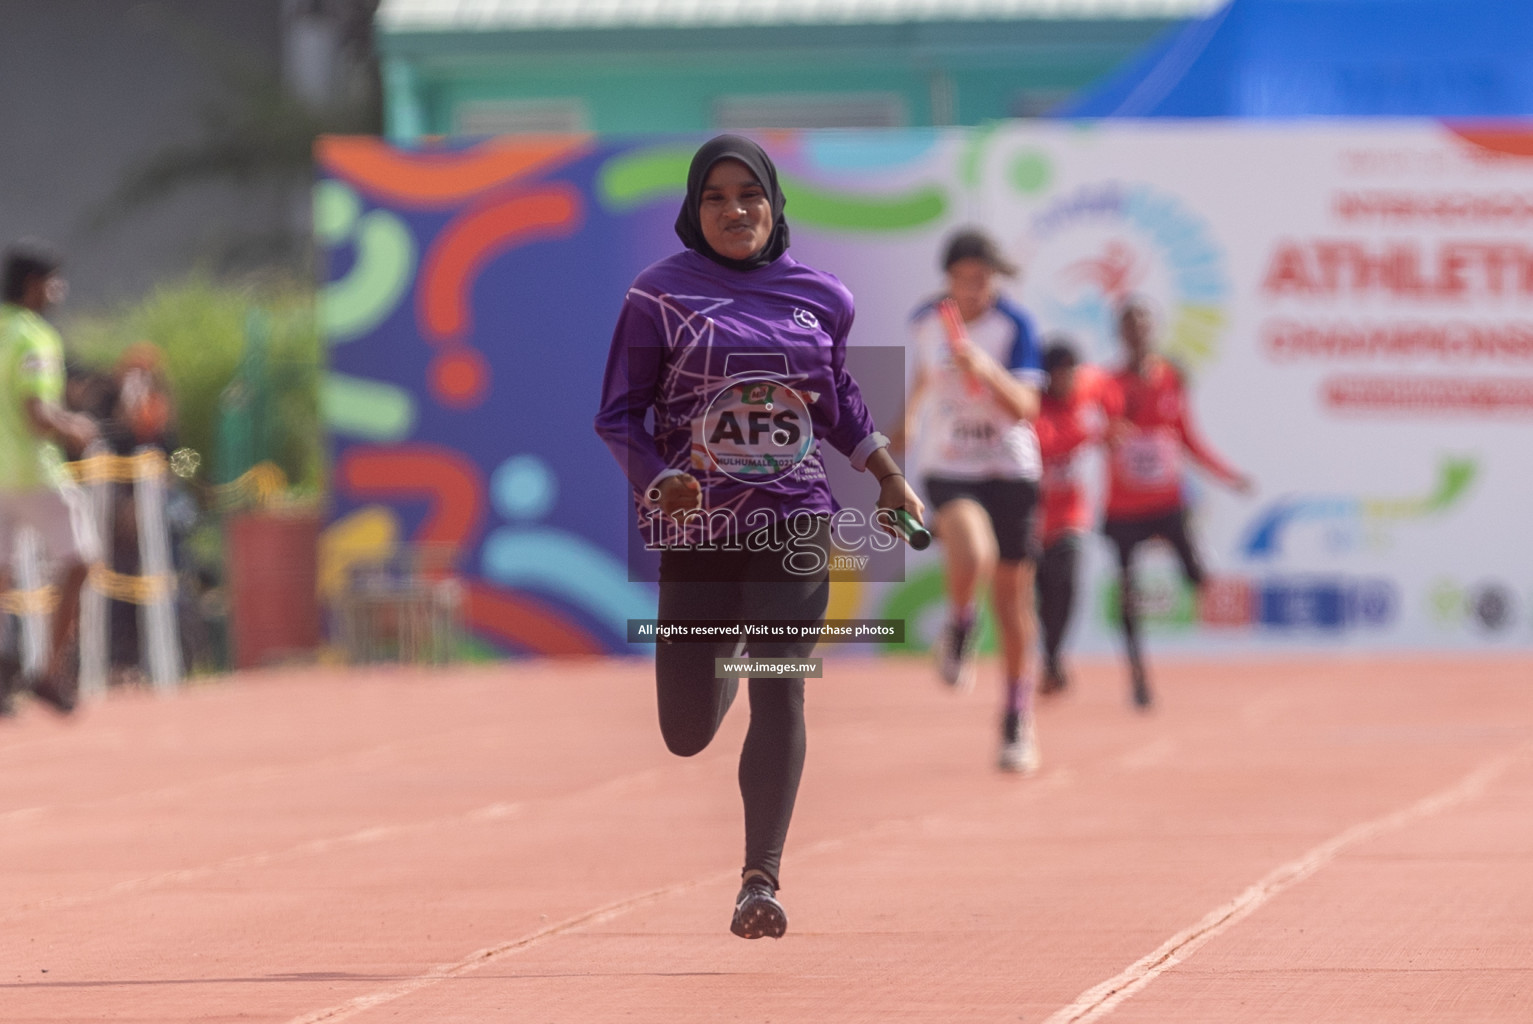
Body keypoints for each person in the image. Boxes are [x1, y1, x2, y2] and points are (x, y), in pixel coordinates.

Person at [594, 136, 923, 940]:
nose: (734, 210)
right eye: (715, 196)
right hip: (700, 531)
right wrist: (658, 477)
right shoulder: (656, 296)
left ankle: (759, 880)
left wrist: (884, 471)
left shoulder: (823, 296)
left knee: (784, 678)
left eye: (750, 194)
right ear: (692, 210)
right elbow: (618, 413)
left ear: (774, 205)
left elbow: (836, 394)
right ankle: (723, 667)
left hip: (796, 522)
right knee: (683, 732)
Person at [900, 228, 1045, 773]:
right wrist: (911, 417)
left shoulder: (1015, 326)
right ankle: (960, 622)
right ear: (949, 278)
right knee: (973, 553)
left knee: (1012, 602)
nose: (974, 289)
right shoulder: (924, 320)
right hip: (951, 465)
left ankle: (1015, 717)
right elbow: (924, 378)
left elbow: (1027, 405)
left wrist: (986, 370)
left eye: (983, 279)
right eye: (964, 278)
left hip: (1009, 468)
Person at [1100, 297, 1251, 709]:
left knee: (1198, 577)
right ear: (1120, 332)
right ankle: (1138, 680)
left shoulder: (1172, 379)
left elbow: (1188, 437)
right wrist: (1107, 434)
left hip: (1167, 503)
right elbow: (1092, 430)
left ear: (1155, 328)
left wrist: (1230, 476)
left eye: (1144, 322)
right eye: (1129, 324)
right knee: (1127, 592)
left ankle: (1177, 585)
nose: (1137, 331)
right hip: (1123, 508)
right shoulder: (1107, 385)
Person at [0, 242, 101, 716]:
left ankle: (5, 668)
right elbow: (36, 411)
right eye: (54, 281)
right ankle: (48, 669)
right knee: (80, 558)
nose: (59, 291)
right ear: (33, 285)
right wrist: (74, 426)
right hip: (31, 472)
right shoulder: (34, 336)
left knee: (3, 572)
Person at [1033, 339, 1109, 696]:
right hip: (1034, 520)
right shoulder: (1034, 407)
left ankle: (1054, 657)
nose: (1068, 380)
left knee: (1068, 586)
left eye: (1072, 372)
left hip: (1071, 516)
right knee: (1041, 596)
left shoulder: (1089, 386)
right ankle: (1048, 657)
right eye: (1060, 373)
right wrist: (1093, 433)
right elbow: (1048, 443)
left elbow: (1115, 386)